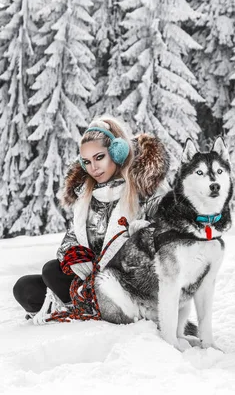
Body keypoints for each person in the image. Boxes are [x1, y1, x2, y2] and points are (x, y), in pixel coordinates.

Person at [12, 116, 169, 322]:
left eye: (99, 157)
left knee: (58, 276)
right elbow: (71, 238)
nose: (93, 167)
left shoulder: (145, 192)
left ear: (117, 153)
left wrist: (143, 235)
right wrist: (72, 255)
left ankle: (93, 307)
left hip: (125, 284)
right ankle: (82, 304)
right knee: (30, 284)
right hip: (88, 280)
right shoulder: (86, 195)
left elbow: (168, 241)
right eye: (86, 162)